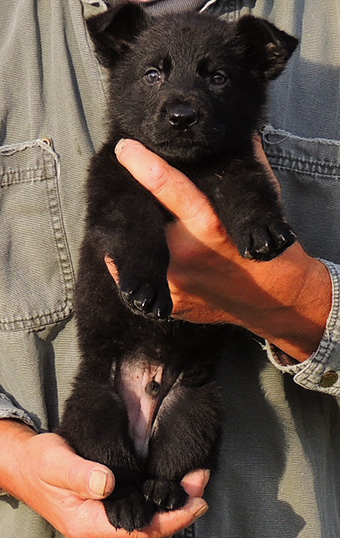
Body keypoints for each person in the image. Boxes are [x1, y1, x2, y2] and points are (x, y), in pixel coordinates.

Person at [0, 1, 339, 537]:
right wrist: (12, 457)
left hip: (197, 395)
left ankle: (163, 480)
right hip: (106, 381)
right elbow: (122, 219)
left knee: (196, 409)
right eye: (155, 74)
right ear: (117, 59)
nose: (181, 103)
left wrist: (297, 296)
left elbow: (245, 194)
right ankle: (123, 482)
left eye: (217, 76)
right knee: (95, 407)